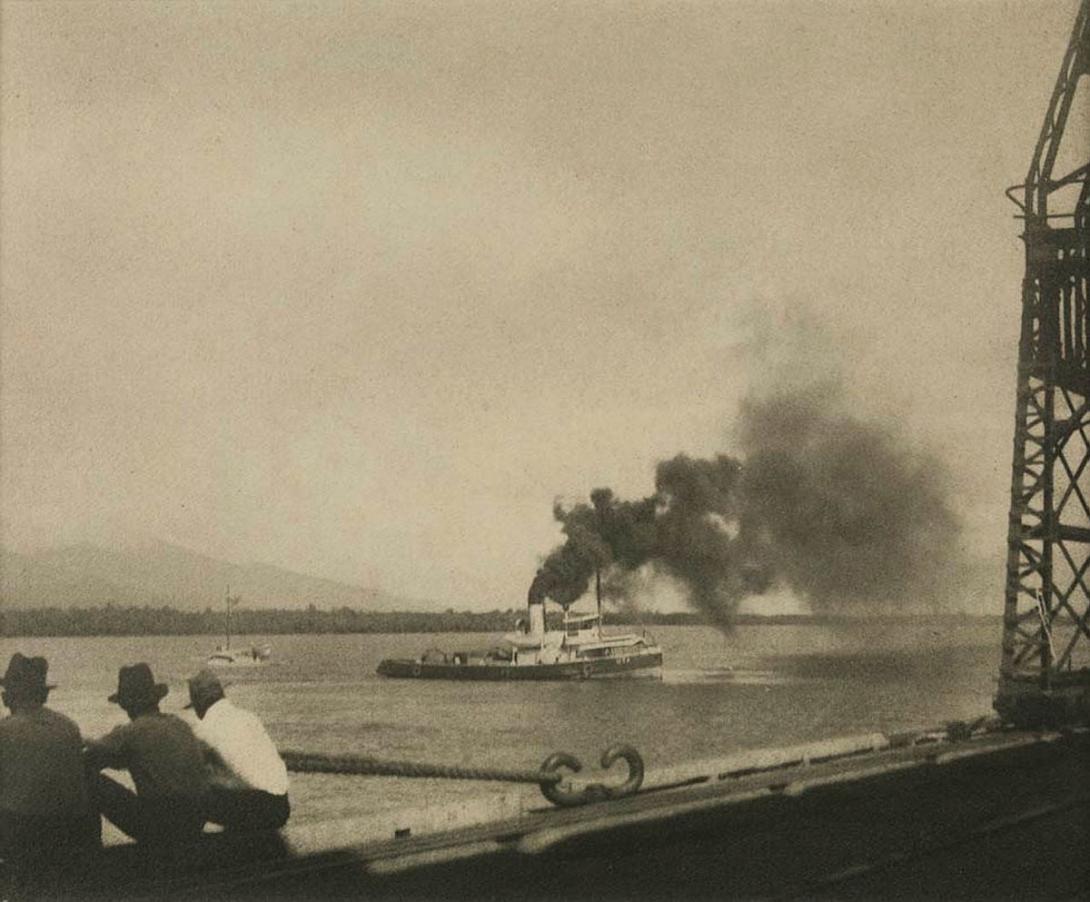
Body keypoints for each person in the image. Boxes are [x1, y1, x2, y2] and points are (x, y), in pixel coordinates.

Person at [0, 653, 100, 888]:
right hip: (70, 832)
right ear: (42, 694)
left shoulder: (5, 730)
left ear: (8, 697)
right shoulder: (68, 726)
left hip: (25, 834)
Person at [85, 663, 207, 846]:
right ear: (156, 699)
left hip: (162, 827)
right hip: (196, 821)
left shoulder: (132, 732)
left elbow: (90, 756)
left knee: (86, 778)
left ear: (126, 705)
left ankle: (89, 852)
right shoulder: (180, 725)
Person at [185, 669, 290, 831]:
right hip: (281, 807)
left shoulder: (202, 730)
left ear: (198, 703)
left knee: (189, 790)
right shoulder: (249, 717)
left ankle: (189, 846)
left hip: (252, 809)